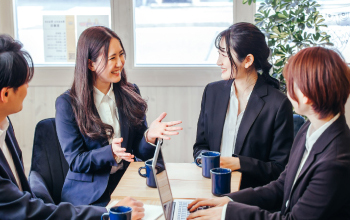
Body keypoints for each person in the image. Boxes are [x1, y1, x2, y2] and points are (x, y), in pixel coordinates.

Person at [187, 47, 350, 220]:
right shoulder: (310, 128)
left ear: (306, 95)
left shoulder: (336, 161)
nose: (287, 90)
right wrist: (229, 201)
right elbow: (282, 185)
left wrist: (227, 214)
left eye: (290, 84)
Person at [0, 34, 145, 219]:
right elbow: (29, 211)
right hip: (87, 199)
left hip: (123, 185)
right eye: (25, 82)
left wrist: (150, 138)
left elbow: (23, 199)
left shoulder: (5, 126)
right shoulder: (67, 103)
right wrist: (108, 214)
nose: (28, 87)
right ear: (5, 94)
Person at [55, 26, 182, 206]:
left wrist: (149, 136)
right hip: (89, 196)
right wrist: (111, 153)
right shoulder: (67, 104)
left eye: (121, 55)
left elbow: (138, 150)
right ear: (90, 64)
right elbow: (76, 161)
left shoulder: (130, 92)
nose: (120, 63)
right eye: (112, 58)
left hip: (126, 183)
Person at [193, 22, 294, 189]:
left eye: (224, 55)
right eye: (219, 54)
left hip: (250, 196)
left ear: (248, 60)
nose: (218, 61)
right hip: (210, 188)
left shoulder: (278, 104)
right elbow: (201, 146)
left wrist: (239, 163)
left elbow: (280, 169)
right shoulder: (212, 92)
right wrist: (202, 159)